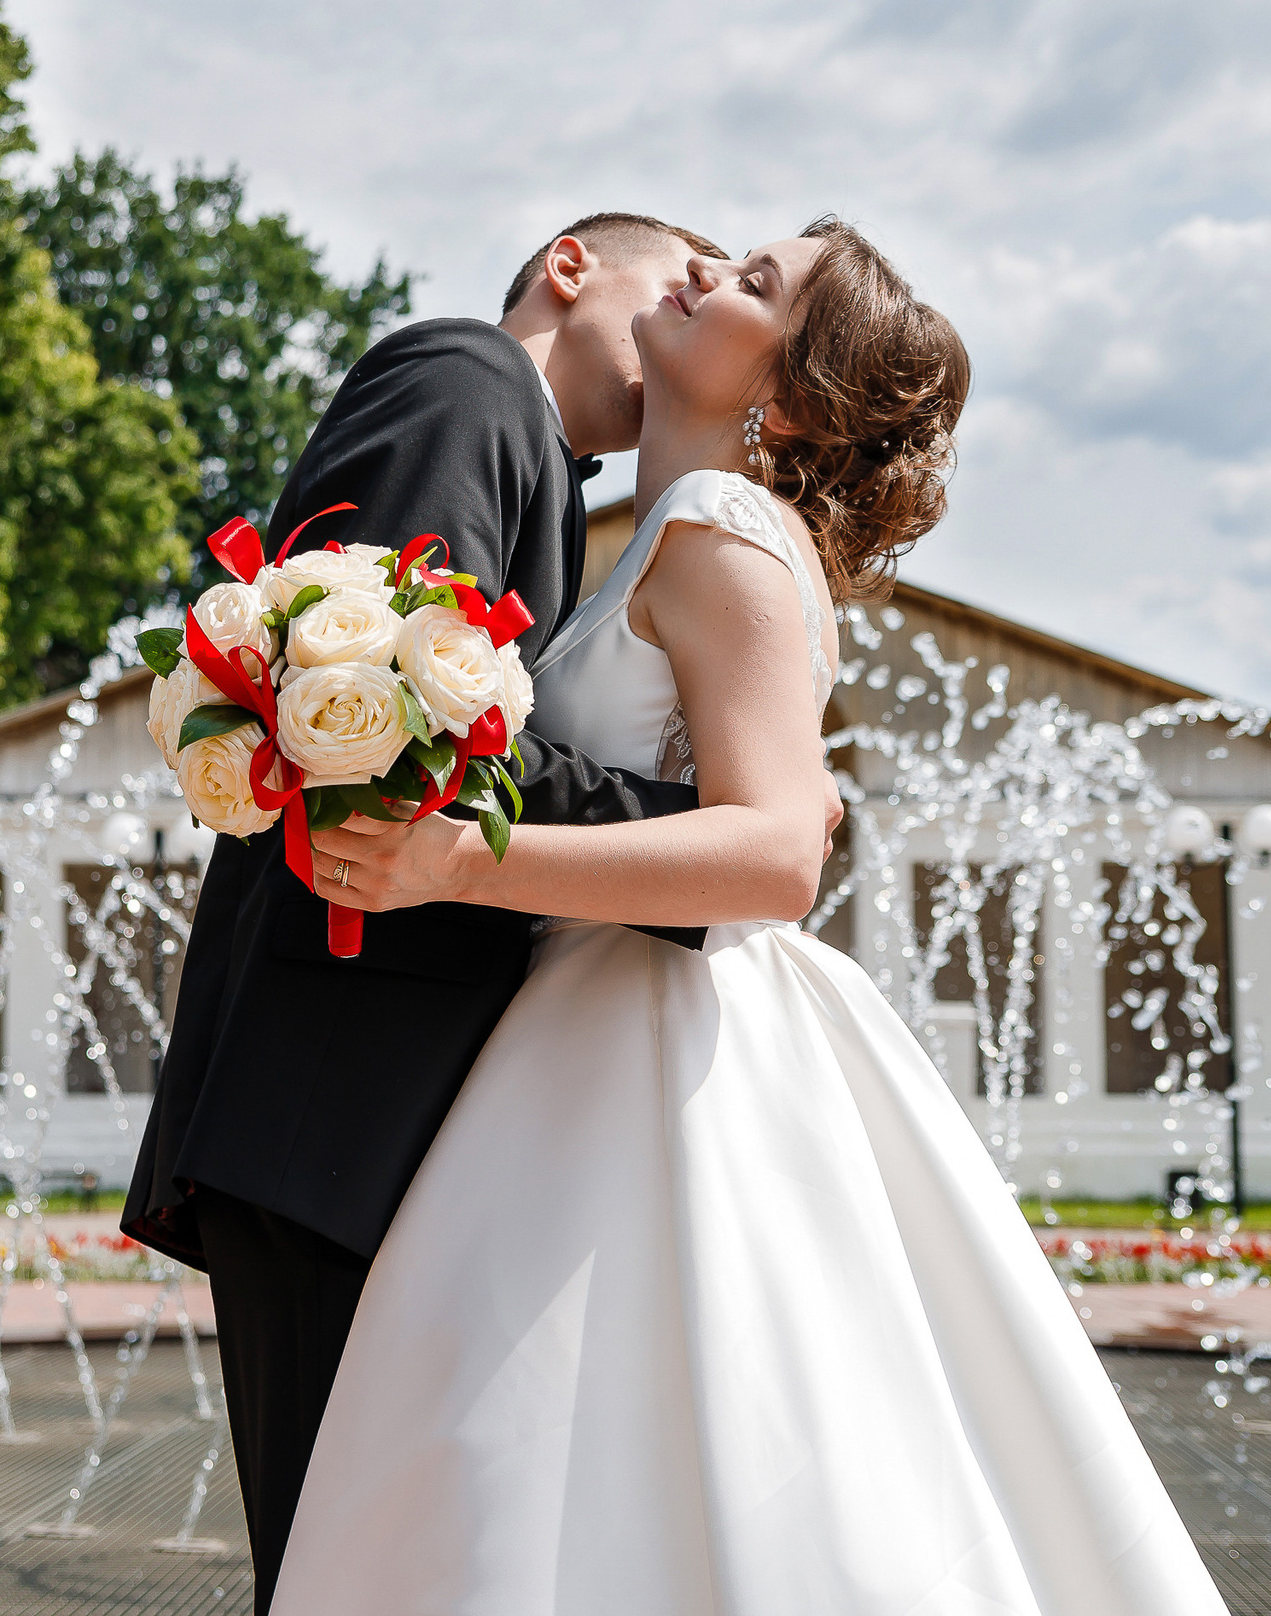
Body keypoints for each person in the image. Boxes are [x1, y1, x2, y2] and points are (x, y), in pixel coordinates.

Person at [283, 221, 1230, 1613]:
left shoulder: (721, 527)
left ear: (783, 399)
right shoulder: (664, 533)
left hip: (652, 1042)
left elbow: (780, 851)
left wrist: (456, 863)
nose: (700, 271)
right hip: (579, 1029)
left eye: (753, 283)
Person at [124, 212, 799, 1610]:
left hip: (376, 1098)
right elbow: (389, 723)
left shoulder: (560, 481)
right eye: (671, 266)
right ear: (567, 266)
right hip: (334, 1089)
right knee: (339, 1567)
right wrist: (710, 842)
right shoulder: (466, 384)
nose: (693, 289)